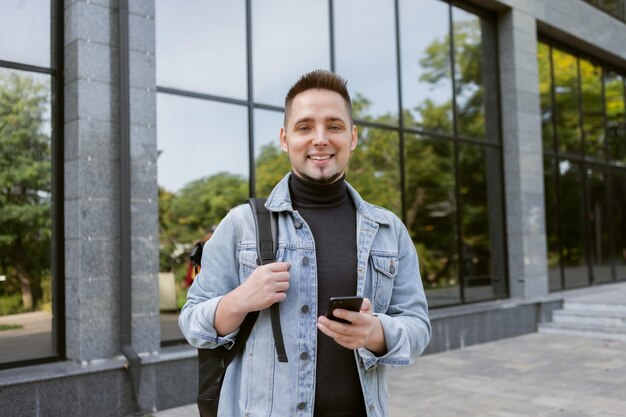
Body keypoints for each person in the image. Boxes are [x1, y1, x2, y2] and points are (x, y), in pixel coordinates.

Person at [179, 69, 431, 417]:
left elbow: (418, 326)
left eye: (334, 126)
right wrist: (240, 301)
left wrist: (374, 333)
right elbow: (193, 323)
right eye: (304, 127)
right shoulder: (241, 225)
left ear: (353, 136)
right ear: (285, 139)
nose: (320, 138)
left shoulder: (388, 230)